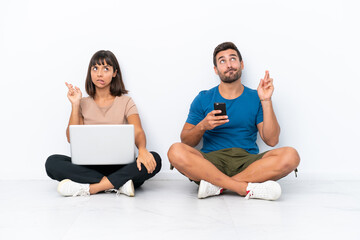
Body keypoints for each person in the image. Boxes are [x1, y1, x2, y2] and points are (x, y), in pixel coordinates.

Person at [167, 42, 300, 200]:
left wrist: (266, 100)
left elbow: (272, 140)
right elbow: (186, 141)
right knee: (175, 150)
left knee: (291, 155)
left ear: (241, 64)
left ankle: (217, 186)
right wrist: (203, 126)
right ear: (216, 70)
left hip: (248, 162)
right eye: (222, 61)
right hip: (210, 163)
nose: (229, 65)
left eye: (233, 59)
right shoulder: (203, 98)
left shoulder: (256, 97)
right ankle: (242, 188)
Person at [45, 50, 161, 197]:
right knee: (52, 162)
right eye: (95, 68)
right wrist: (75, 105)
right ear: (90, 72)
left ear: (114, 73)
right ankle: (118, 184)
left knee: (155, 158)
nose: (99, 74)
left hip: (120, 166)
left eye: (106, 69)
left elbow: (137, 130)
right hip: (89, 167)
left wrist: (143, 149)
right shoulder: (82, 103)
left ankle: (91, 188)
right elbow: (71, 138)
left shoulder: (126, 101)